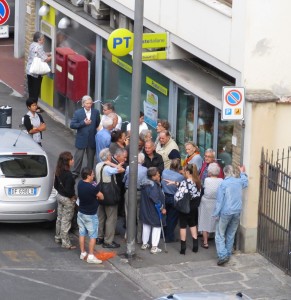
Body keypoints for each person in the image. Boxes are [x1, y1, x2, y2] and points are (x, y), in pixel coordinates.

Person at [213, 165, 248, 266]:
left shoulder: (223, 184)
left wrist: (215, 213)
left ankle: (223, 255)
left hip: (225, 212)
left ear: (225, 173)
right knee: (231, 233)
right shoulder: (238, 181)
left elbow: (219, 201)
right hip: (237, 211)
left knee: (220, 234)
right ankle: (227, 253)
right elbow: (245, 182)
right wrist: (242, 172)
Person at [96, 148, 125, 248]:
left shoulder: (98, 165)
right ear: (108, 157)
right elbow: (121, 170)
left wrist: (109, 163)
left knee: (101, 217)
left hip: (100, 194)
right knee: (111, 218)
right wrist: (114, 164)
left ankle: (99, 237)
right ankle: (108, 241)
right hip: (109, 196)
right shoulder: (108, 168)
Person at [77, 167, 104, 264]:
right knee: (93, 235)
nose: (93, 176)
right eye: (92, 174)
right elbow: (101, 196)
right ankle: (91, 256)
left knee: (82, 233)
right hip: (90, 215)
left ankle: (83, 253)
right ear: (88, 176)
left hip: (81, 213)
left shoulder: (80, 183)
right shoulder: (92, 187)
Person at [70, 95, 100, 178]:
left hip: (91, 139)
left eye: (90, 103)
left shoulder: (96, 112)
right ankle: (75, 172)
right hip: (81, 139)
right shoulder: (78, 113)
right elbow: (72, 125)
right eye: (87, 103)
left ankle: (89, 174)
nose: (89, 105)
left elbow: (97, 123)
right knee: (78, 157)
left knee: (90, 159)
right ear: (83, 104)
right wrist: (83, 123)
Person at [174, 164, 201, 255]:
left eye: (185, 171)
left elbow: (178, 195)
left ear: (188, 172)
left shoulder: (184, 182)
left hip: (185, 207)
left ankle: (183, 249)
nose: (183, 172)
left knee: (183, 226)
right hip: (194, 207)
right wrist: (177, 184)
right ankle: (195, 247)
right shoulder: (198, 181)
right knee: (193, 224)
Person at [140, 167, 166, 254]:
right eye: (158, 174)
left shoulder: (144, 183)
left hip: (145, 208)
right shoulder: (154, 185)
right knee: (157, 226)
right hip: (153, 210)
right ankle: (154, 246)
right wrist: (162, 207)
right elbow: (154, 198)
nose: (159, 175)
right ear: (153, 176)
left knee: (146, 225)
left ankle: (145, 243)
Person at [123, 152, 148, 244]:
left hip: (129, 191)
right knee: (139, 216)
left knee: (128, 214)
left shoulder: (129, 168)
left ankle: (128, 235)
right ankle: (139, 237)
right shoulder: (145, 170)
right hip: (140, 193)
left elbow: (124, 180)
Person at [54, 151, 77, 250]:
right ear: (68, 162)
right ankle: (66, 242)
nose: (73, 161)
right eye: (72, 159)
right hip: (67, 199)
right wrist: (72, 196)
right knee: (66, 220)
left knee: (59, 218)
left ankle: (58, 237)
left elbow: (55, 185)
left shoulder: (58, 171)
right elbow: (69, 190)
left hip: (59, 196)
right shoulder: (69, 175)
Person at [198, 162, 223, 249]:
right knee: (216, 222)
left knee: (205, 221)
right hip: (216, 203)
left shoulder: (207, 180)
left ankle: (205, 242)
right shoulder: (221, 181)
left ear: (210, 172)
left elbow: (204, 190)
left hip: (206, 203)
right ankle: (217, 241)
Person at [161, 158, 185, 243]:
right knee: (172, 218)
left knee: (164, 215)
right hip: (173, 197)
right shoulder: (180, 177)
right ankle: (169, 236)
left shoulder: (164, 172)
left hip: (164, 196)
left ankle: (161, 233)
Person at [26, 32, 51, 104]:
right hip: (36, 72)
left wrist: (49, 53)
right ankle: (34, 107)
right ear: (39, 40)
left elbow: (39, 54)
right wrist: (54, 56)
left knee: (31, 90)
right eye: (43, 39)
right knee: (36, 91)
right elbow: (45, 59)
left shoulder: (32, 45)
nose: (44, 41)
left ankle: (30, 105)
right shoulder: (39, 47)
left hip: (29, 70)